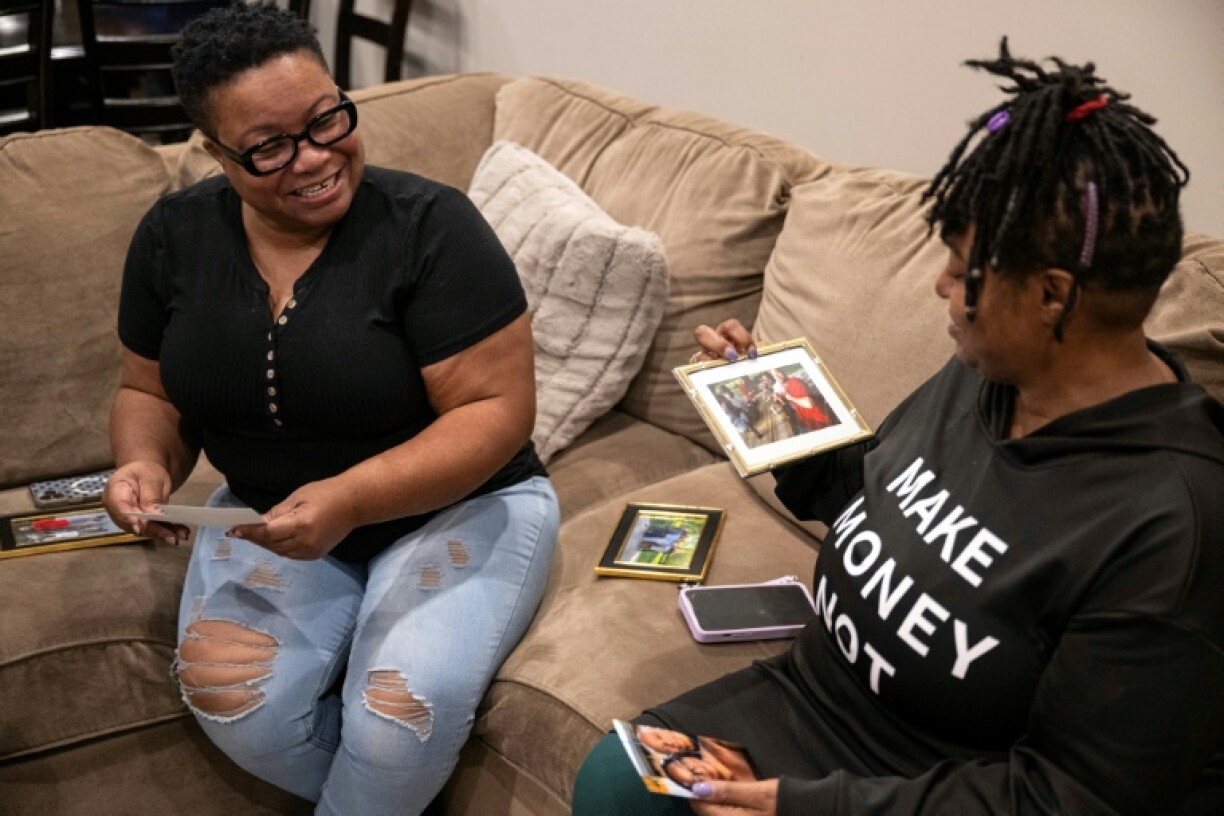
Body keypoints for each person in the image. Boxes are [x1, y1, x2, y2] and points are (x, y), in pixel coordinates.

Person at [572, 38, 1224, 816]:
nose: (942, 285)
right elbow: (876, 501)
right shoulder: (992, 375)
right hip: (812, 700)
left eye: (963, 267)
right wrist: (775, 409)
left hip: (923, 780)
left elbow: (1070, 797)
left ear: (1052, 296)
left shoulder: (1173, 523)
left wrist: (815, 807)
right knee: (616, 783)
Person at [100, 5, 559, 814]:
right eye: (271, 146)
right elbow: (149, 390)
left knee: (393, 724)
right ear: (215, 153)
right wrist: (146, 464)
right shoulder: (173, 237)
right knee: (234, 704)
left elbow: (494, 412)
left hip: (460, 507)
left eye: (327, 120)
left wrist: (350, 498)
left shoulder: (432, 227)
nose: (316, 158)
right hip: (267, 512)